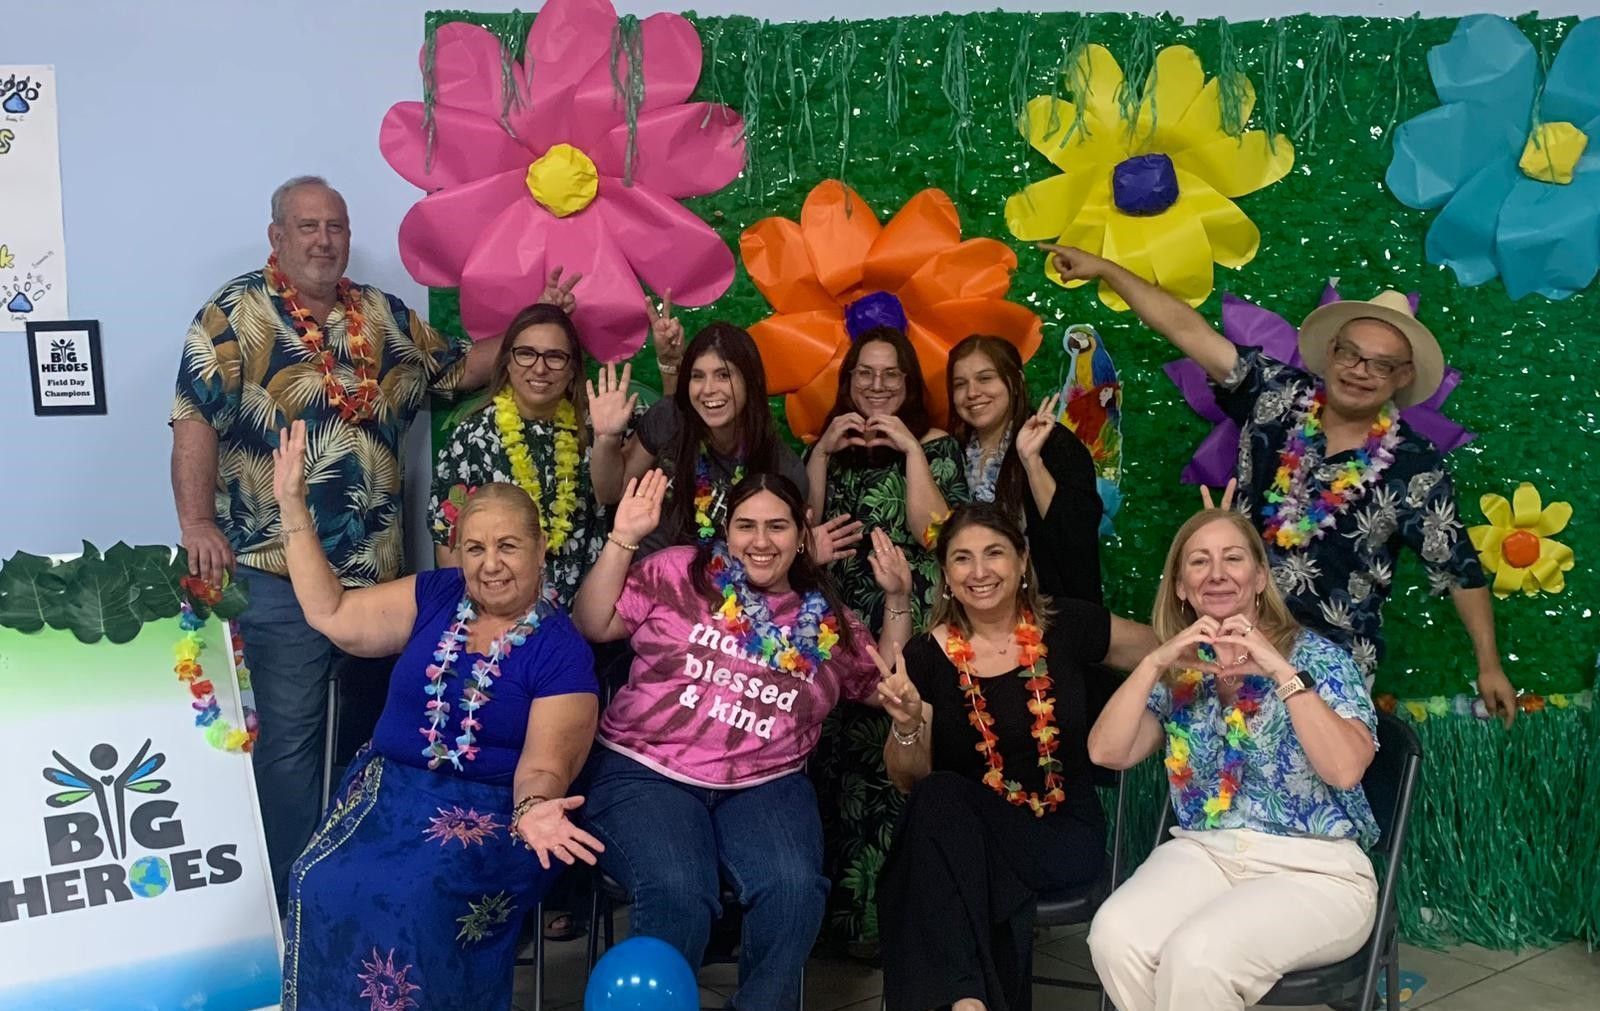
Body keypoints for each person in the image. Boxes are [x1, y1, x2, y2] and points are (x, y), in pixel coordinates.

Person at [169, 175, 506, 905]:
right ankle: (289, 903)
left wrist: (542, 327)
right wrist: (195, 523)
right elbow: (193, 418)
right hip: (275, 572)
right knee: (290, 746)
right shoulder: (232, 314)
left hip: (378, 579)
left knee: (375, 734)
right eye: (308, 226)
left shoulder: (382, 317)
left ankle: (359, 890)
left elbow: (459, 366)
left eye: (336, 226)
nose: (324, 239)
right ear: (277, 237)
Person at [1045, 244, 1517, 726]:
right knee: (1206, 774)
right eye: (1351, 353)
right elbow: (1186, 329)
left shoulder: (1417, 469)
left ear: (1403, 377)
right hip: (1224, 643)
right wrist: (1105, 267)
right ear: (1331, 352)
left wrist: (1489, 664)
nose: (1359, 371)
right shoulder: (1274, 393)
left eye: (1380, 364)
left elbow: (1460, 568)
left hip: (1327, 671)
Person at [270, 422, 600, 1011]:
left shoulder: (561, 649)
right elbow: (333, 611)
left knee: (411, 897)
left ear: (540, 548)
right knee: (316, 879)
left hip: (495, 815)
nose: (491, 564)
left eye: (508, 546)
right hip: (386, 795)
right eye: (475, 548)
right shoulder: (438, 595)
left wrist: (533, 811)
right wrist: (292, 506)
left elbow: (545, 765)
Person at [570, 471, 914, 1011]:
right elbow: (592, 622)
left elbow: (885, 683)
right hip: (646, 771)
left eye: (776, 526)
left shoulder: (825, 618)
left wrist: (898, 598)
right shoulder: (680, 571)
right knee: (681, 890)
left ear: (802, 534)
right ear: (725, 532)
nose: (760, 541)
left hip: (766, 783)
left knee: (796, 889)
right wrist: (624, 537)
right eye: (746, 526)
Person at [1085, 508, 1381, 1011]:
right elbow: (1107, 752)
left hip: (1316, 868)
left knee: (1197, 958)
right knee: (1115, 936)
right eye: (1199, 562)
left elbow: (1345, 769)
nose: (1217, 573)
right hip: (1205, 852)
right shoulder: (1181, 671)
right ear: (1182, 586)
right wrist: (1156, 660)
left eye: (1233, 558)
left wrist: (1278, 669)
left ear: (1260, 577)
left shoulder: (1319, 659)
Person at [875, 504, 1156, 1011]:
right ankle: (968, 1004)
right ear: (946, 575)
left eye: (994, 554)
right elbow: (908, 779)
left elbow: (1160, 651)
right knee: (937, 799)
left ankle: (964, 998)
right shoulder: (924, 656)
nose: (979, 572)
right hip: (975, 839)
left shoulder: (1069, 625)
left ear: (1022, 561)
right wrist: (908, 725)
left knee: (928, 858)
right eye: (962, 559)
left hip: (1062, 833)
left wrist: (1200, 676)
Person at [804, 324, 970, 949]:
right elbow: (804, 537)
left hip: (909, 613)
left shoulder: (937, 446)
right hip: (835, 618)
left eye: (890, 375)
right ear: (848, 382)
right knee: (835, 757)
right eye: (864, 375)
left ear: (909, 384)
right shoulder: (830, 446)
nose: (876, 387)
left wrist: (913, 452)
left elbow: (938, 534)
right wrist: (820, 454)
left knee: (895, 756)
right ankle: (834, 928)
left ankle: (895, 926)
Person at [429, 287, 637, 610]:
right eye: (526, 353)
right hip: (500, 623)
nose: (539, 369)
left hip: (585, 617)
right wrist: (477, 620)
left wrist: (608, 438)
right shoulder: (471, 438)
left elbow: (610, 494)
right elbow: (448, 542)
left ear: (571, 371)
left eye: (554, 357)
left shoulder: (596, 425)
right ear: (508, 362)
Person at [591, 320, 821, 558]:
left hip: (725, 589)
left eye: (723, 375)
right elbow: (610, 492)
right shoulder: (670, 416)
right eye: (698, 376)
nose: (708, 389)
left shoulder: (782, 468)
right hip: (646, 576)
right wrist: (607, 438)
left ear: (751, 381)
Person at [947, 334, 1103, 603]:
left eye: (985, 378)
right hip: (974, 610)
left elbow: (1077, 537)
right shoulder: (952, 451)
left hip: (1052, 609)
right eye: (960, 384)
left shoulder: (1054, 444)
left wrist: (1031, 461)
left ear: (1016, 381)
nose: (972, 392)